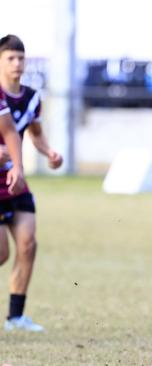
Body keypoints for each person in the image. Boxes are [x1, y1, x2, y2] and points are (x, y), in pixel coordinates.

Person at [0, 35, 34, 331]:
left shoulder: (31, 97)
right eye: (10, 58)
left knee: (28, 244)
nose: (17, 64)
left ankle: (16, 317)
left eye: (20, 58)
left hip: (13, 182)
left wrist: (18, 165)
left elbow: (13, 131)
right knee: (2, 253)